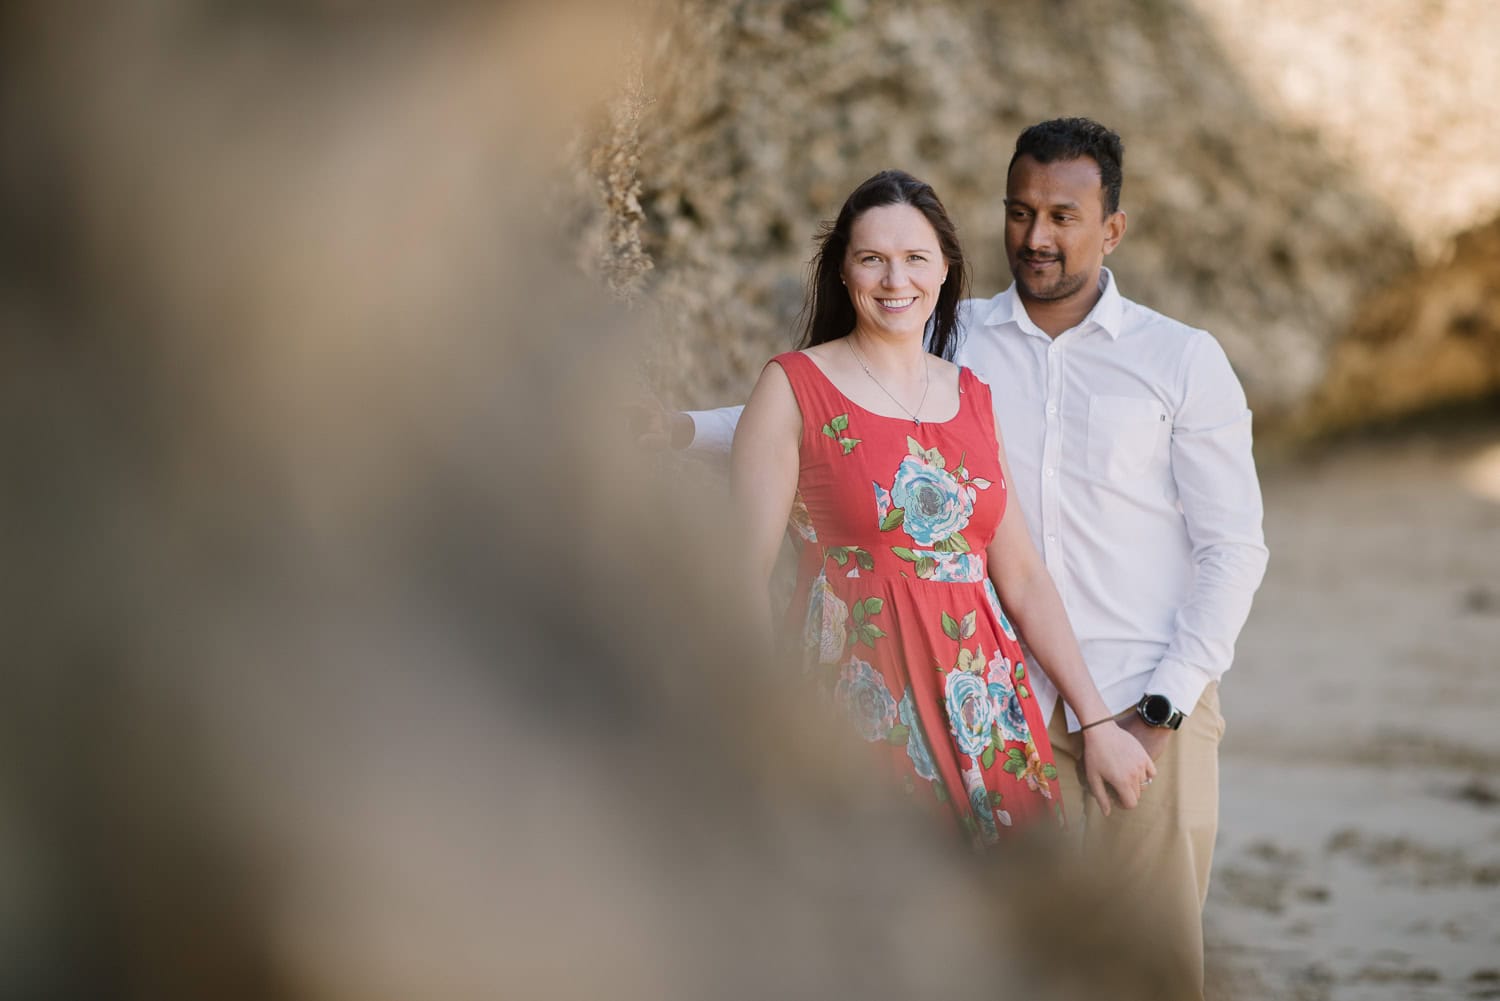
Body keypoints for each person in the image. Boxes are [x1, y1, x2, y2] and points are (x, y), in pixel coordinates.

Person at [641, 119, 1268, 999]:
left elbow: (1233, 549)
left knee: (1149, 965)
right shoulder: (954, 338)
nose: (1037, 236)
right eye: (1019, 213)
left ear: (1112, 227)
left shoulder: (1179, 360)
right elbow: (821, 414)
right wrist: (673, 429)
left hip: (1133, 700)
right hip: (983, 701)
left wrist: (1154, 710)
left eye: (1062, 215)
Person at [731, 169, 1154, 847]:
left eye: (914, 259)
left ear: (945, 268)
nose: (895, 279)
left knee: (1004, 928)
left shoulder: (973, 396)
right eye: (872, 258)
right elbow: (740, 573)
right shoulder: (793, 386)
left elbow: (1019, 575)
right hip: (856, 704)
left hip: (985, 708)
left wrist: (1096, 721)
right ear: (844, 271)